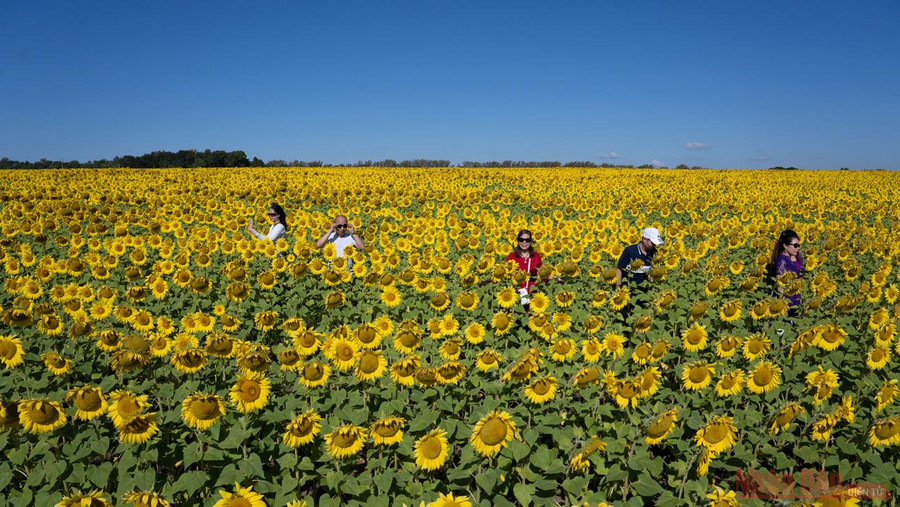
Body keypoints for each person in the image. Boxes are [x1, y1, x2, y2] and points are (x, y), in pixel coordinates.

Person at [770, 229, 804, 315]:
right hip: (788, 304)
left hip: (794, 300)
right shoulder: (782, 261)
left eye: (799, 245)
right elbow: (780, 286)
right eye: (795, 245)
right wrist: (783, 305)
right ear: (785, 245)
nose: (798, 248)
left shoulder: (789, 259)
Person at [506, 229, 542, 306]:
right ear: (518, 241)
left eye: (527, 240)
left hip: (533, 295)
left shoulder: (536, 256)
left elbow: (541, 274)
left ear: (531, 241)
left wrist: (553, 277)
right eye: (521, 240)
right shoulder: (512, 257)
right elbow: (506, 275)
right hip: (516, 296)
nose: (524, 242)